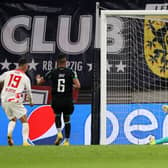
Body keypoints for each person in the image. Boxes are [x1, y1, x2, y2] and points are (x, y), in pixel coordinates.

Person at [36, 54, 80, 146]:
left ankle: (59, 133)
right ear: (65, 62)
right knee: (67, 119)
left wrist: (37, 79)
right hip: (67, 100)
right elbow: (78, 86)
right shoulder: (71, 72)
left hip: (57, 100)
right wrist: (71, 85)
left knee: (57, 116)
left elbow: (40, 82)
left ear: (57, 62)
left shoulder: (52, 72)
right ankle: (67, 141)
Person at [0, 57, 33, 146]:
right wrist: (31, 101)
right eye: (27, 66)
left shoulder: (7, 73)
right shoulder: (25, 77)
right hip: (15, 100)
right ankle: (25, 142)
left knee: (12, 119)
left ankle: (9, 135)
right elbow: (29, 91)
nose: (28, 67)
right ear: (25, 66)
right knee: (24, 121)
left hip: (4, 100)